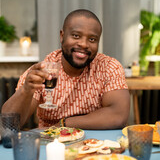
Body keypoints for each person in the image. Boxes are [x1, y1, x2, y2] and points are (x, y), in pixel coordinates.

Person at [2, 9, 130, 129]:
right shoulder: (42, 71)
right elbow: (7, 125)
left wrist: (64, 123)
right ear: (62, 36)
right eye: (76, 36)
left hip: (96, 144)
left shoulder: (109, 67)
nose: (84, 44)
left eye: (92, 39)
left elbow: (118, 115)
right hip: (52, 143)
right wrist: (25, 90)